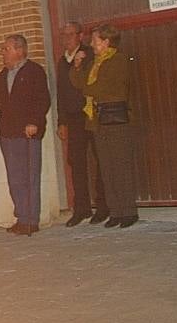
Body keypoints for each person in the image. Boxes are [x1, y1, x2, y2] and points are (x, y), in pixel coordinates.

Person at [70, 24, 138, 228]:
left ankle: (128, 212)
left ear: (106, 42)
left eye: (95, 40)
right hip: (98, 121)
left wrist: (87, 88)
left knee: (120, 166)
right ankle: (116, 211)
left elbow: (101, 88)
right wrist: (77, 66)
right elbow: (79, 83)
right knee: (107, 168)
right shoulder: (94, 63)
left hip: (115, 120)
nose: (91, 44)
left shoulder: (118, 60)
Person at [0, 34, 51, 235]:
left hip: (27, 132)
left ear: (20, 50)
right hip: (8, 133)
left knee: (30, 175)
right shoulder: (5, 74)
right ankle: (21, 217)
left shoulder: (34, 71)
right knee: (15, 177)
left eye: (6, 49)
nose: (3, 53)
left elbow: (42, 100)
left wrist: (34, 122)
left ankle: (31, 219)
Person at [56, 21, 108, 226]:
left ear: (80, 36)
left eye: (70, 34)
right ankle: (82, 208)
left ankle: (103, 206)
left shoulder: (88, 55)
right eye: (63, 35)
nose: (66, 38)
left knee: (99, 160)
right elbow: (60, 93)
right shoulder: (62, 61)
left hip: (91, 114)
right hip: (73, 119)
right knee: (76, 162)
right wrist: (62, 121)